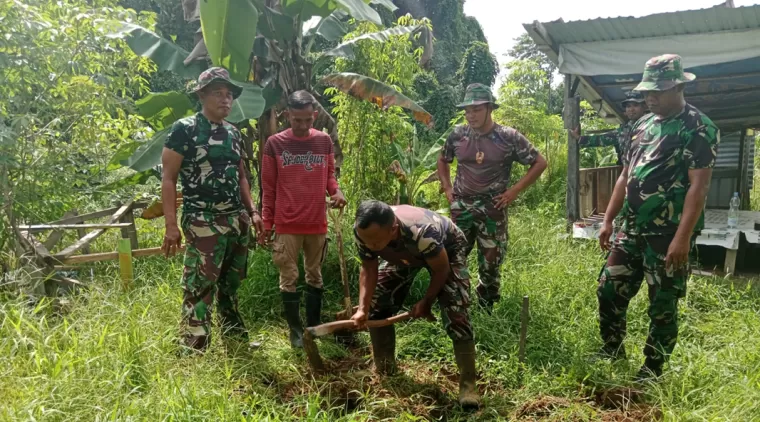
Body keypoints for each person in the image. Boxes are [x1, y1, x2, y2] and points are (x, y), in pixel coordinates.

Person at [596, 54, 719, 382]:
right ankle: (611, 348)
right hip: (631, 228)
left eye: (657, 91)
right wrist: (608, 219)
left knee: (662, 303)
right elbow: (625, 175)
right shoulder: (641, 124)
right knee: (609, 289)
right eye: (646, 91)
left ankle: (653, 368)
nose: (649, 97)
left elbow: (699, 187)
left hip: (668, 234)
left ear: (678, 86)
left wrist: (682, 238)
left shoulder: (698, 127)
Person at [161, 67, 264, 352]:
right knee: (200, 285)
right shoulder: (185, 129)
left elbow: (241, 176)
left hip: (236, 220)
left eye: (229, 94)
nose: (226, 100)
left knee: (231, 285)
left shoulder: (233, 133)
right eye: (218, 93)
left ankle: (234, 340)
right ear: (202, 95)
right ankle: (194, 345)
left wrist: (253, 211)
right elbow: (168, 179)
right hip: (203, 220)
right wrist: (171, 226)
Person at [351, 200, 480, 409]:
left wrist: (426, 301)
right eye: (366, 241)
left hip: (446, 248)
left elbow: (441, 269)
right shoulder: (364, 232)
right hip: (403, 253)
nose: (369, 246)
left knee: (456, 308)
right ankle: (384, 367)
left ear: (392, 230)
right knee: (378, 301)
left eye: (374, 243)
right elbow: (368, 267)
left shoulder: (422, 231)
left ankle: (468, 384)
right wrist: (362, 308)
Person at [437, 83, 547, 311]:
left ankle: (487, 308)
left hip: (493, 209)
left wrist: (513, 192)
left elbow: (539, 162)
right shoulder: (458, 135)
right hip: (462, 207)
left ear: (489, 108)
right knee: (454, 257)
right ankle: (456, 304)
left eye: (476, 109)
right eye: (467, 110)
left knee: (491, 263)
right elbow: (442, 159)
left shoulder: (508, 137)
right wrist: (447, 188)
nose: (470, 115)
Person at [261, 90, 347, 349]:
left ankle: (312, 326)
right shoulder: (274, 144)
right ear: (287, 115)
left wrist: (337, 191)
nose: (302, 125)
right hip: (287, 224)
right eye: (296, 120)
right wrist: (267, 224)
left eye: (307, 120)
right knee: (289, 277)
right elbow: (269, 189)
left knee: (315, 275)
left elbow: (330, 176)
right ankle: (295, 330)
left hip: (316, 222)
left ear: (315, 116)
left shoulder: (323, 142)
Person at [570, 91, 649, 165]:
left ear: (644, 107)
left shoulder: (652, 125)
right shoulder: (623, 131)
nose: (631, 109)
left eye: (635, 105)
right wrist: (579, 138)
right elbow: (602, 139)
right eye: (628, 106)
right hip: (629, 173)